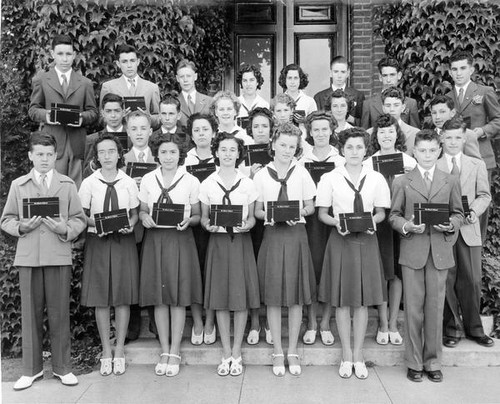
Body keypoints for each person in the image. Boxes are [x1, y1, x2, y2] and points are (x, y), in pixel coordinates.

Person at [1, 132, 86, 390]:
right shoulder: (19, 184)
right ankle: (31, 370)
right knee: (30, 314)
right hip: (28, 257)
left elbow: (79, 219)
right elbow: (6, 220)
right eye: (40, 154)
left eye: (50, 154)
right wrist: (21, 227)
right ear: (30, 156)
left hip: (58, 255)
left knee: (60, 313)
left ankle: (63, 368)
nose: (45, 159)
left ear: (56, 155)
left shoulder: (67, 184)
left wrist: (65, 229)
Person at [389, 129, 464, 383]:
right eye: (422, 150)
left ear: (439, 151)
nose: (428, 155)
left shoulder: (450, 179)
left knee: (435, 308)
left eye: (432, 150)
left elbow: (458, 213)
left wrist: (451, 225)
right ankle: (414, 362)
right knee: (413, 310)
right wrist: (407, 226)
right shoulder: (402, 181)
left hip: (439, 253)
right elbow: (393, 216)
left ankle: (432, 361)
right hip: (413, 252)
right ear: (414, 152)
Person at [317, 127, 390, 380]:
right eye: (349, 147)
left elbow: (381, 211)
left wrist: (373, 221)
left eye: (359, 147)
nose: (355, 152)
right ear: (342, 150)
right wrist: (336, 223)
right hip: (341, 240)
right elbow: (322, 213)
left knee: (361, 299)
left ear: (366, 149)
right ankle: (346, 354)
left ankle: (358, 354)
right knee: (342, 297)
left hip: (366, 241)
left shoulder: (376, 178)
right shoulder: (331, 178)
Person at [253, 122, 316, 377]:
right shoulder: (260, 175)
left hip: (296, 236)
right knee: (273, 295)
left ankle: (292, 350)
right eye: (282, 145)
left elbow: (311, 206)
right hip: (272, 235)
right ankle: (277, 350)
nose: (287, 150)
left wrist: (299, 211)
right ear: (273, 145)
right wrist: (271, 215)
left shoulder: (302, 173)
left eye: (292, 146)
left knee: (295, 295)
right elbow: (256, 210)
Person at [138, 133, 203, 377]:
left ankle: (175, 349)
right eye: (164, 152)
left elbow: (197, 215)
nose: (168, 157)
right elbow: (143, 209)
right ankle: (164, 349)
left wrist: (190, 220)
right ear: (157, 154)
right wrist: (145, 218)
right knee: (160, 296)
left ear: (180, 155)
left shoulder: (190, 180)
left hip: (180, 240)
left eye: (173, 152)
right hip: (156, 240)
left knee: (177, 296)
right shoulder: (147, 179)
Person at [79, 133, 140, 376]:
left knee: (122, 296)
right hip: (99, 241)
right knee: (101, 297)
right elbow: (81, 214)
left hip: (123, 241)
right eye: (102, 152)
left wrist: (131, 224)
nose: (107, 156)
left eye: (111, 151)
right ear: (97, 156)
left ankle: (120, 349)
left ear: (119, 154)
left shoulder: (128, 182)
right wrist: (95, 224)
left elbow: (134, 213)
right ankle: (106, 350)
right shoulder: (89, 183)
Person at [199, 131, 260, 376]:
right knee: (221, 298)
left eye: (232, 150)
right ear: (216, 152)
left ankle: (237, 351)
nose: (227, 154)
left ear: (238, 154)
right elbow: (203, 217)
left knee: (240, 296)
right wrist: (207, 225)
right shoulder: (207, 183)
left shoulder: (248, 183)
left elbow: (253, 216)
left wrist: (249, 224)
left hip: (240, 242)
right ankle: (225, 351)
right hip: (218, 244)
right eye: (223, 149)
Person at [437, 117, 493, 348]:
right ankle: (451, 329)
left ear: (464, 138)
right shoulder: (434, 164)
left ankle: (475, 328)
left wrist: (474, 211)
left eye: (458, 137)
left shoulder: (476, 164)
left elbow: (484, 195)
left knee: (471, 280)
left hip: (469, 228)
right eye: (448, 137)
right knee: (447, 280)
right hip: (444, 230)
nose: (453, 142)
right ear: (441, 138)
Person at [363, 114, 417, 346]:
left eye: (390, 131)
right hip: (379, 223)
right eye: (381, 131)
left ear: (397, 134)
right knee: (384, 272)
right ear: (376, 136)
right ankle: (383, 323)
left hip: (402, 222)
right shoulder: (367, 163)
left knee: (397, 272)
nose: (386, 135)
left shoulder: (410, 162)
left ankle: (394, 323)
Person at [299, 111, 345, 347]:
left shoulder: (340, 160)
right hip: (309, 223)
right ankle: (311, 322)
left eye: (324, 129)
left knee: (329, 270)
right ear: (309, 132)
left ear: (331, 130)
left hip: (331, 222)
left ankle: (326, 321)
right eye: (315, 129)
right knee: (311, 270)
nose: (320, 134)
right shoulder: (302, 159)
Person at [28, 34, 98, 187]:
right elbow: (33, 110)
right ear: (52, 54)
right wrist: (47, 115)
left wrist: (81, 118)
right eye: (60, 54)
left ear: (74, 55)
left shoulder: (85, 83)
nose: (64, 59)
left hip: (77, 143)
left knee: (76, 188)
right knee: (52, 187)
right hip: (52, 141)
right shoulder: (42, 80)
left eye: (68, 54)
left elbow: (93, 112)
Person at [446, 50, 500, 244]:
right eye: (454, 69)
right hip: (453, 158)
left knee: (479, 206)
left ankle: (478, 251)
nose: (458, 73)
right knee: (454, 203)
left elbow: (497, 119)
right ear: (449, 72)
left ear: (471, 69)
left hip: (480, 158)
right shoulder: (447, 96)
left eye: (463, 68)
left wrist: (481, 132)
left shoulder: (484, 92)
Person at [123, 110, 158, 342]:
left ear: (151, 131)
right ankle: (132, 327)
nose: (139, 133)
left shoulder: (162, 158)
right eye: (134, 128)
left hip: (157, 225)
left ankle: (157, 325)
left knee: (156, 272)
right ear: (127, 131)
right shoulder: (120, 161)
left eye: (143, 128)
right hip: (133, 226)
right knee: (133, 274)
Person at [184, 112, 218, 344]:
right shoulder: (185, 160)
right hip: (193, 224)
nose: (201, 134)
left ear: (213, 133)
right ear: (192, 135)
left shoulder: (224, 157)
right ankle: (197, 320)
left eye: (205, 129)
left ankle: (211, 321)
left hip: (217, 224)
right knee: (195, 273)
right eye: (197, 130)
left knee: (213, 272)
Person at [245, 107, 275, 345]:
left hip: (274, 220)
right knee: (254, 270)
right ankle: (255, 320)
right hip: (252, 221)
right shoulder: (242, 155)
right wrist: (250, 174)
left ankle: (269, 321)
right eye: (256, 126)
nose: (261, 130)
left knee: (269, 271)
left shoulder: (279, 153)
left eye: (265, 126)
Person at [100, 44, 160, 128]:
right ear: (118, 63)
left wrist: (147, 117)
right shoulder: (108, 87)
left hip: (143, 137)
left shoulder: (152, 88)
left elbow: (159, 119)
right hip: (118, 137)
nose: (129, 65)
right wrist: (118, 117)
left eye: (132, 61)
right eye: (124, 61)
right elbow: (102, 119)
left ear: (138, 62)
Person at [361, 56, 420, 129]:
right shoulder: (368, 105)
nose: (388, 80)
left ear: (399, 75)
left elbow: (415, 135)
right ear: (380, 77)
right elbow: (364, 135)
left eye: (392, 75)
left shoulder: (411, 104)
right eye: (385, 75)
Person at [83, 93, 126, 178]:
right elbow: (86, 173)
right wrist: (93, 165)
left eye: (117, 111)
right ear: (102, 113)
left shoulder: (132, 137)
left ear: (123, 112)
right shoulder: (92, 139)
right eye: (108, 111)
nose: (113, 115)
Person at [314, 56, 364, 125]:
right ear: (330, 73)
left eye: (343, 72)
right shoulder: (319, 97)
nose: (339, 75)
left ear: (348, 73)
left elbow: (364, 122)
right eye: (336, 71)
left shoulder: (358, 96)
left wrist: (352, 119)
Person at [370, 86, 419, 156]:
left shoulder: (415, 134)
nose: (392, 109)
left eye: (396, 105)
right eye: (388, 105)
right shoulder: (370, 133)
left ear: (403, 107)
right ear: (383, 108)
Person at [429, 95, 481, 160]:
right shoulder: (428, 135)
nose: (437, 117)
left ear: (452, 113)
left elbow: (475, 164)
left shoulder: (467, 134)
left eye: (442, 112)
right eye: (434, 113)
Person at [278, 64, 317, 131]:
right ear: (285, 80)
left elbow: (316, 124)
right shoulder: (278, 101)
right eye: (289, 78)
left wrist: (305, 120)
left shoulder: (309, 101)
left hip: (304, 139)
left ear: (300, 80)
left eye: (295, 78)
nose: (292, 82)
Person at [175, 60, 212, 129]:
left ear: (195, 76)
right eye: (182, 76)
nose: (185, 80)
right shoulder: (174, 103)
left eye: (188, 76)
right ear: (177, 78)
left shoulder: (209, 101)